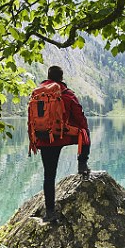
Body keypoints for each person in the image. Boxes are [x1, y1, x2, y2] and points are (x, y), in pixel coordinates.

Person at [29, 65, 91, 223]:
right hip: (62, 135)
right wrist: (83, 127)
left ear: (48, 76)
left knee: (49, 176)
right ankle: (82, 164)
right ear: (61, 77)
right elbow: (79, 117)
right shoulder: (67, 94)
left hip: (44, 138)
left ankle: (49, 212)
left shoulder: (38, 93)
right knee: (84, 133)